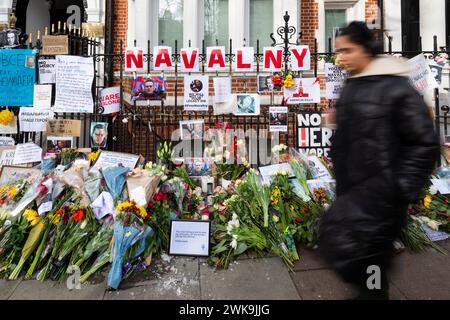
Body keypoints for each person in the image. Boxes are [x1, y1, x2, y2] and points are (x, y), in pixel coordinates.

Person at [318, 22, 440, 300]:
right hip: (354, 192)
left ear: (366, 49)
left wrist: (400, 188)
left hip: (383, 197)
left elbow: (424, 142)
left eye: (347, 50)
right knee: (352, 253)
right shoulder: (354, 86)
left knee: (372, 260)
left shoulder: (396, 88)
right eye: (338, 51)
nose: (341, 58)